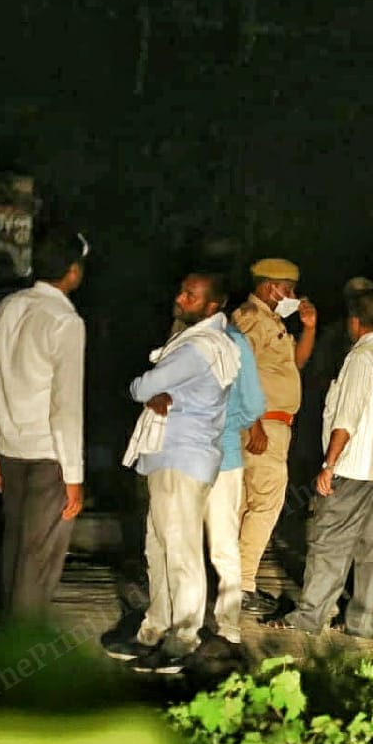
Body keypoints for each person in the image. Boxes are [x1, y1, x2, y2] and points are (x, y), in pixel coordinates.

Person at [266, 292, 373, 638]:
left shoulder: (361, 358)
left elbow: (346, 420)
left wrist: (328, 465)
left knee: (328, 543)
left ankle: (309, 617)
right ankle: (363, 622)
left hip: (354, 468)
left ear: (355, 322)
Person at [111, 273, 240, 673]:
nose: (180, 297)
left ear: (212, 306)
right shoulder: (210, 342)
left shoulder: (198, 348)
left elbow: (139, 387)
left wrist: (150, 390)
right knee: (161, 546)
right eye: (181, 289)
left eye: (191, 295)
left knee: (179, 550)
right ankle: (156, 628)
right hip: (178, 456)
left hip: (182, 456)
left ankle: (183, 638)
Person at [0, 229, 86, 616]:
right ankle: (22, 644)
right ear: (73, 272)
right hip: (47, 454)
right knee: (38, 557)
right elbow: (66, 405)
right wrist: (74, 475)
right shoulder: (65, 320)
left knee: (14, 547)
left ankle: (9, 630)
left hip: (8, 447)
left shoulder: (6, 307)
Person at [232, 258, 317, 615]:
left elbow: (292, 364)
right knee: (264, 503)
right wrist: (253, 423)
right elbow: (236, 369)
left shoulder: (271, 320)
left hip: (268, 423)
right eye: (289, 290)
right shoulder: (251, 318)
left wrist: (309, 328)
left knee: (245, 504)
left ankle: (231, 582)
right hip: (261, 424)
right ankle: (242, 584)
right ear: (271, 288)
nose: (293, 296)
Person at [203, 308, 265, 652]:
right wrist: (229, 423)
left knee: (181, 543)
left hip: (192, 455)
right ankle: (228, 626)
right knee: (223, 545)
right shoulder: (234, 340)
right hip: (221, 455)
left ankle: (182, 622)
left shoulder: (189, 339)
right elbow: (253, 403)